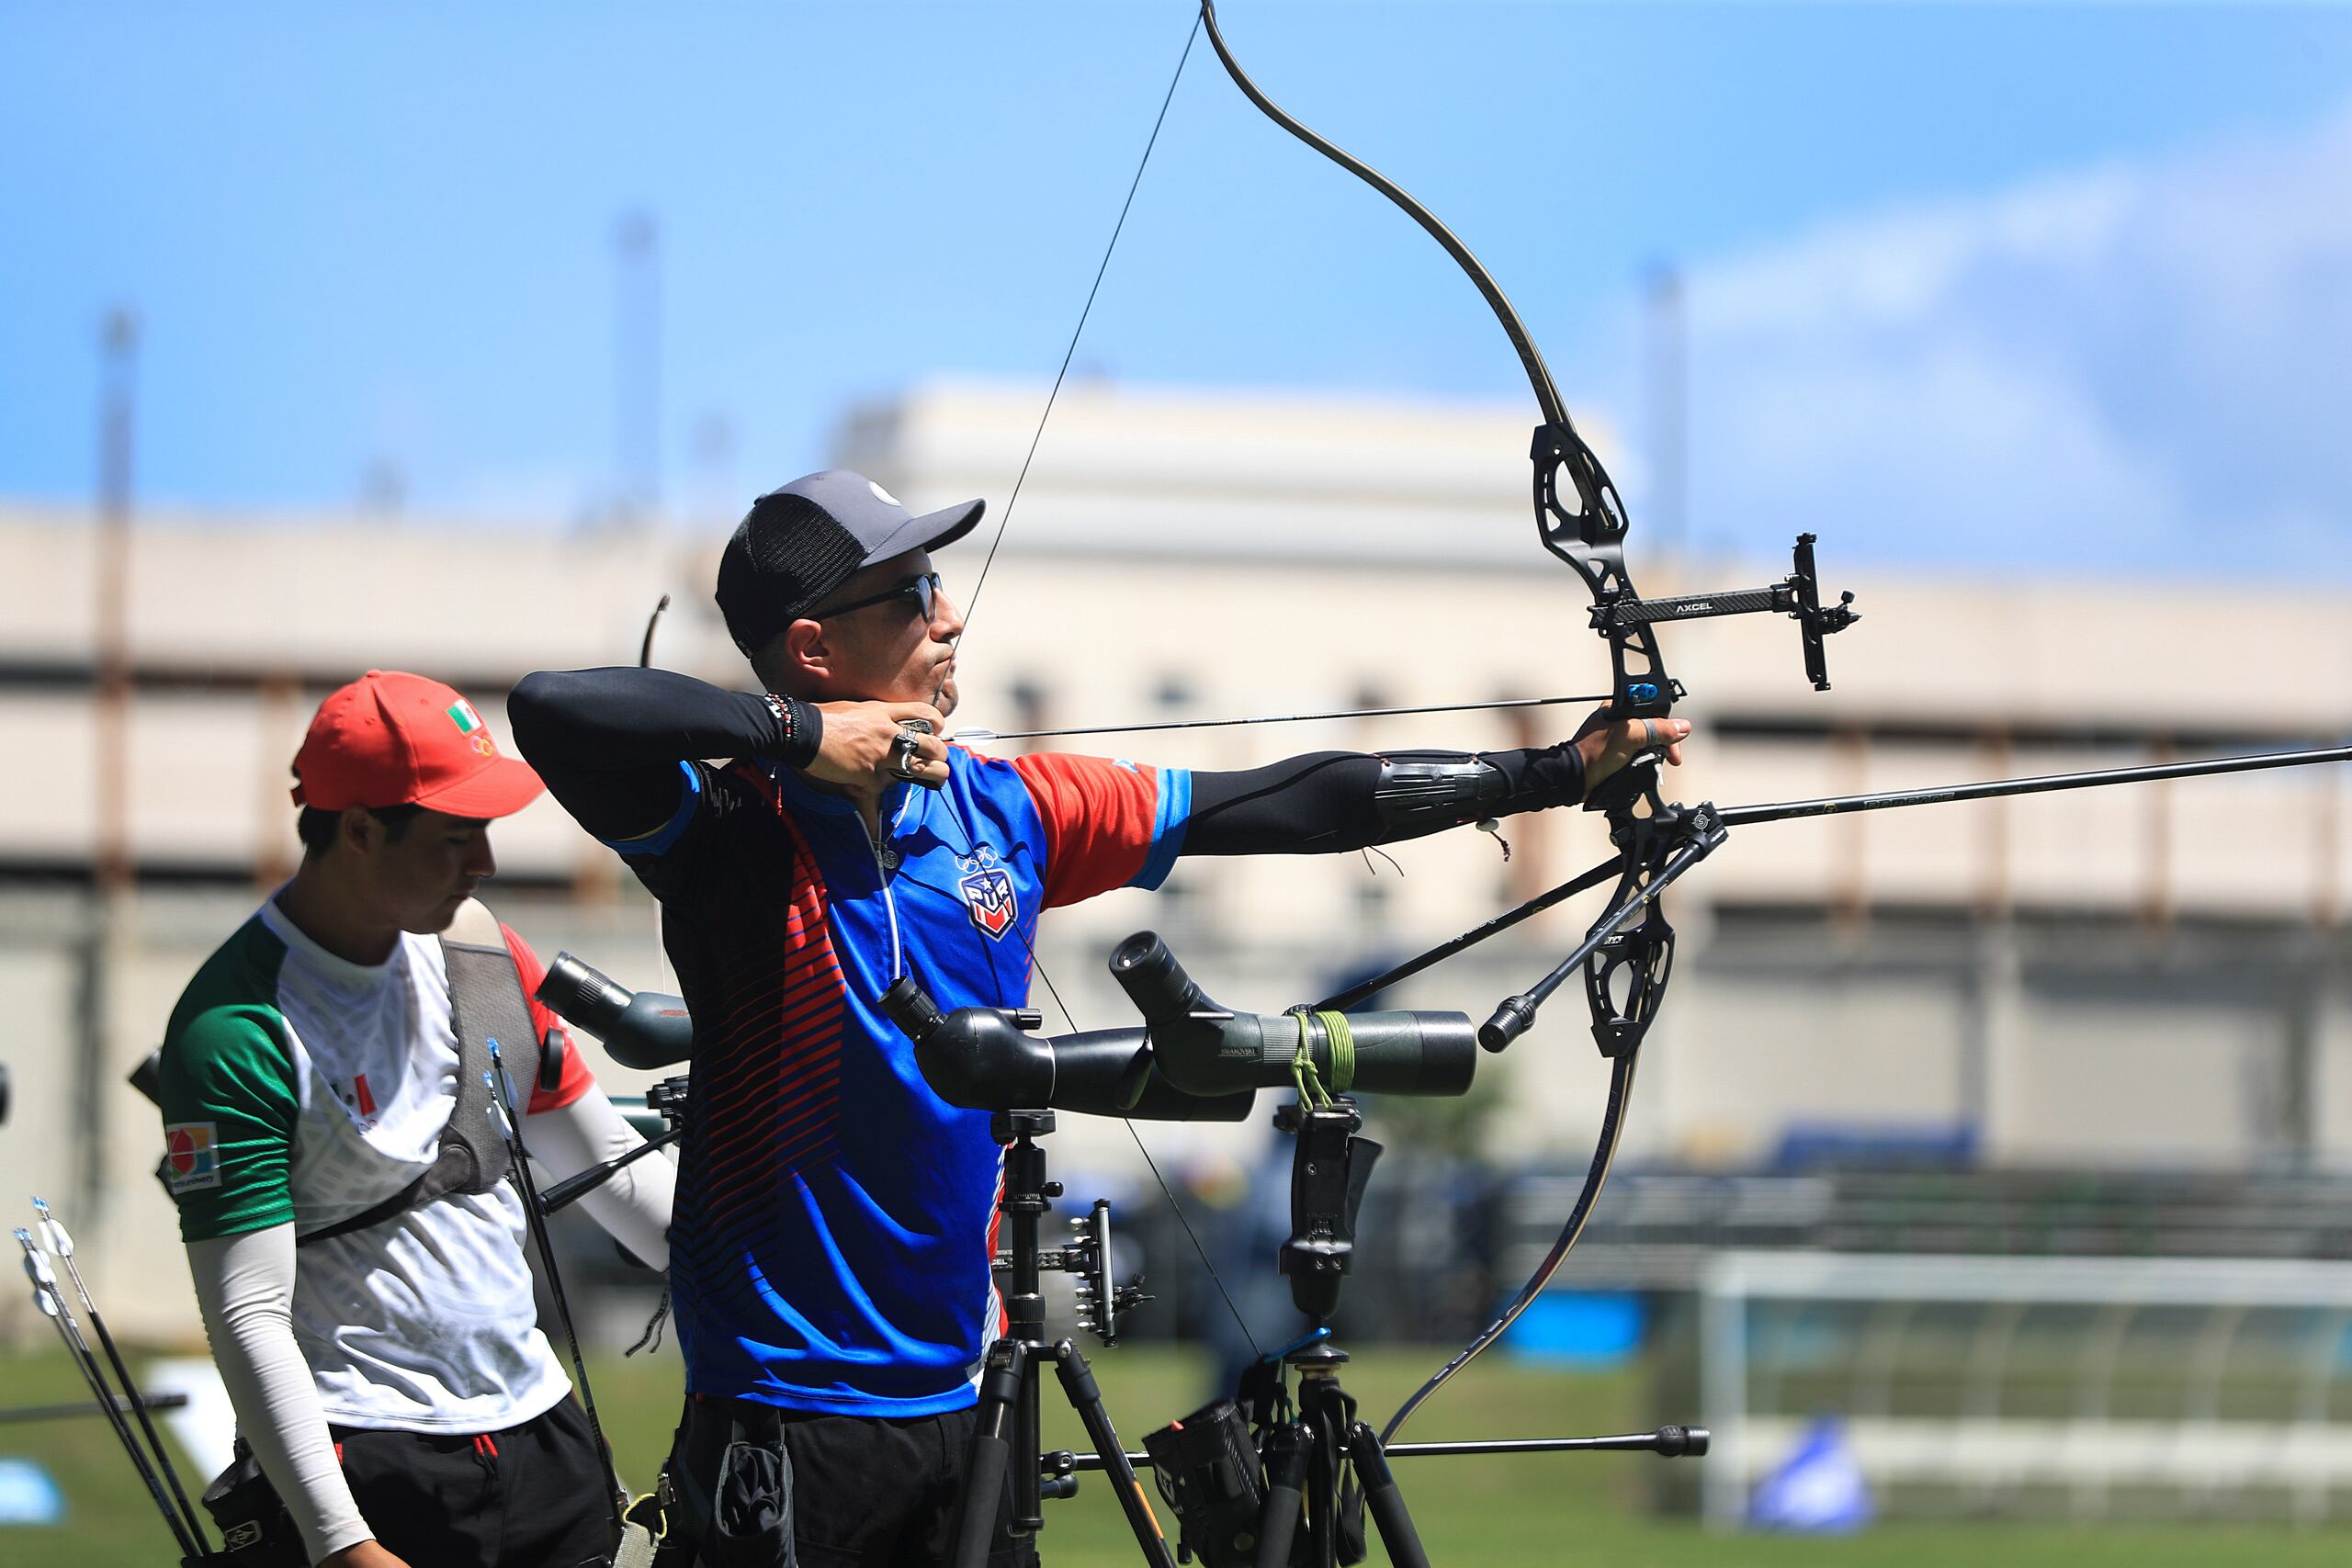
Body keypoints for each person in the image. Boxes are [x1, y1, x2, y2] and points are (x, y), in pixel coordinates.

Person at [506, 468, 1690, 1567]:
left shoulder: (1006, 809)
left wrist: (1548, 774)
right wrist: (803, 737)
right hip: (781, 1407)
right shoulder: (728, 832)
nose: (949, 616)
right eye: (912, 597)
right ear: (814, 648)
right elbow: (553, 707)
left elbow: (1287, 801)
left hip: (968, 1399)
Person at [155, 670, 677, 1568]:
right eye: (455, 835)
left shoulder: (482, 955)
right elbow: (248, 1312)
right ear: (359, 829)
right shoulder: (236, 1027)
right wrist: (339, 1543)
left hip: (544, 1436)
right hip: (365, 1458)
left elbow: (624, 1182)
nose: (485, 862)